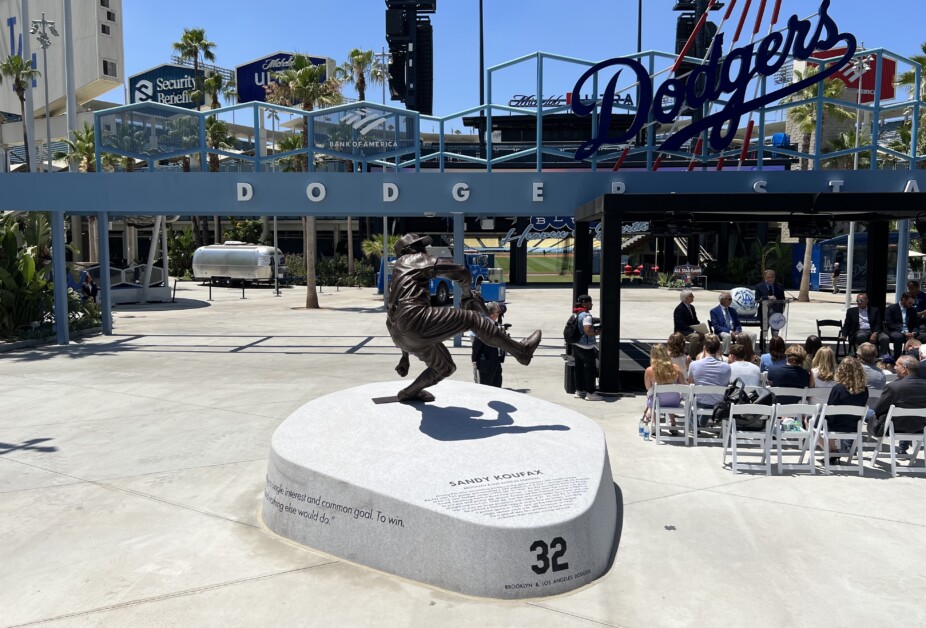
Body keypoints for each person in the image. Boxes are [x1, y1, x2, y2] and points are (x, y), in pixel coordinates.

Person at [386, 233, 541, 402]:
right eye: (419, 246)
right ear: (408, 250)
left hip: (399, 333)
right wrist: (467, 295)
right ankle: (522, 352)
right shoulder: (414, 259)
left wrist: (405, 355)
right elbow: (460, 272)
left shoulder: (397, 273)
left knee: (445, 367)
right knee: (473, 319)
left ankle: (409, 393)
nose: (424, 249)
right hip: (416, 320)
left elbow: (392, 317)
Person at [869, 356, 926, 449]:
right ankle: (903, 448)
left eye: (897, 365)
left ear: (904, 369)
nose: (894, 368)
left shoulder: (893, 387)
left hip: (893, 427)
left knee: (869, 413)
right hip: (919, 428)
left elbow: (878, 410)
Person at [822, 357, 870, 466]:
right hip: (853, 426)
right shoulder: (864, 390)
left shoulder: (838, 389)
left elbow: (830, 411)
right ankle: (833, 452)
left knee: (809, 421)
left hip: (835, 425)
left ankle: (832, 451)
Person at [688, 334, 731, 426]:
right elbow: (726, 384)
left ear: (704, 348)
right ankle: (702, 421)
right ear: (718, 349)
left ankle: (697, 424)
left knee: (690, 397)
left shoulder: (694, 365)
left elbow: (691, 384)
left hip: (700, 402)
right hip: (718, 403)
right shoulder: (727, 367)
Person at [644, 344, 686, 432]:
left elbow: (648, 387)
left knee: (653, 397)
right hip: (674, 402)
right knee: (669, 394)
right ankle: (673, 423)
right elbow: (682, 385)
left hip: (658, 402)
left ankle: (655, 425)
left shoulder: (649, 370)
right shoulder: (676, 368)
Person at [572, 294, 603, 401]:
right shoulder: (586, 316)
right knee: (590, 369)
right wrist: (597, 332)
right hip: (586, 346)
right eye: (590, 302)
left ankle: (579, 390)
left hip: (576, 345)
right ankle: (590, 393)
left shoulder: (576, 313)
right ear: (584, 303)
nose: (591, 304)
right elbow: (587, 330)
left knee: (579, 368)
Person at [471, 301, 505, 388]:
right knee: (486, 387)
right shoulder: (484, 326)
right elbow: (477, 344)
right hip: (486, 363)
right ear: (492, 314)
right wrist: (474, 360)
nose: (498, 315)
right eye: (497, 312)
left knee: (497, 386)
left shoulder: (495, 324)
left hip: (496, 361)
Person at [884, 292, 921, 359]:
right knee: (898, 337)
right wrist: (904, 332)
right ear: (903, 300)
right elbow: (890, 324)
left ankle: (918, 357)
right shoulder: (891, 309)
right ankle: (897, 358)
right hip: (895, 331)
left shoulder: (912, 310)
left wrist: (914, 333)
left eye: (912, 303)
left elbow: (916, 324)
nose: (911, 305)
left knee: (923, 336)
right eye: (909, 303)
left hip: (909, 332)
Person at [673, 289, 704, 359]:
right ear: (686, 298)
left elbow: (695, 321)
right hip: (682, 331)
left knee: (705, 336)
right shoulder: (679, 309)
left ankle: (698, 353)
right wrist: (695, 331)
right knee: (695, 336)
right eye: (691, 296)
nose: (693, 297)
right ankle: (691, 356)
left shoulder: (692, 307)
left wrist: (701, 327)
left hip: (691, 330)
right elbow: (681, 325)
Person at [755, 269, 785, 337]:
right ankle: (763, 346)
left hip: (776, 313)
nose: (770, 279)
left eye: (772, 277)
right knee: (764, 332)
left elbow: (782, 299)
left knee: (775, 332)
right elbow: (757, 299)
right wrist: (768, 297)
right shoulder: (759, 286)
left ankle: (774, 345)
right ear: (765, 277)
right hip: (764, 313)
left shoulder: (779, 286)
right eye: (768, 277)